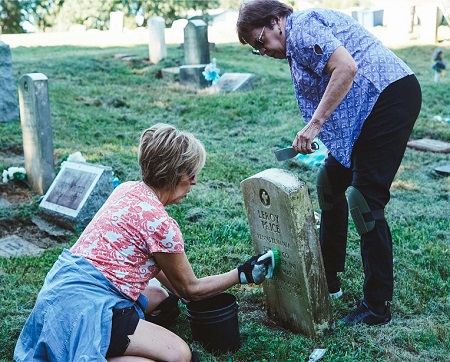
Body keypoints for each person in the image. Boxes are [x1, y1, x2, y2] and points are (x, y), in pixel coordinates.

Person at [14, 123, 270, 361]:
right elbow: (190, 289)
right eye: (191, 174)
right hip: (90, 308)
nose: (195, 181)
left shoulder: (126, 189)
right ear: (174, 174)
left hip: (60, 291)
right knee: (180, 354)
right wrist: (242, 274)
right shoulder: (161, 225)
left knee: (159, 295)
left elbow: (169, 277)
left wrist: (186, 293)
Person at [237, 0, 422, 326]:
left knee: (365, 200)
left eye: (261, 41)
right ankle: (330, 277)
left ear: (276, 20)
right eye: (256, 49)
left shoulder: (302, 27)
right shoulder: (294, 43)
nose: (263, 51)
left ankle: (377, 306)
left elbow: (346, 68)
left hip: (388, 98)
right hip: (367, 112)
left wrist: (315, 125)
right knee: (330, 184)